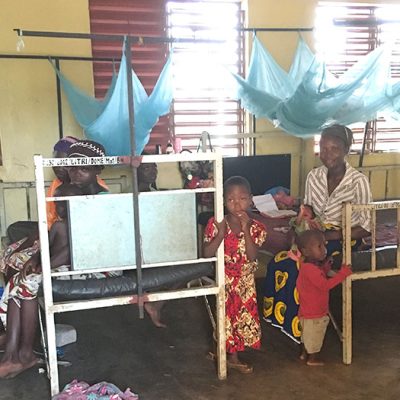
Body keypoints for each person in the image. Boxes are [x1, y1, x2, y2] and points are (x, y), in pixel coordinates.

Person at [263, 124, 373, 343]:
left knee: (301, 269)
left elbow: (366, 227)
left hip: (342, 238)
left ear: (346, 149)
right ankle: (281, 320)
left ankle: (304, 330)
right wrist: (302, 223)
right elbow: (308, 211)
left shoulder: (358, 181)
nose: (327, 154)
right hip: (314, 236)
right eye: (323, 148)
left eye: (334, 148)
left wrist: (328, 236)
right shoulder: (314, 176)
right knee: (279, 261)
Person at [203, 176, 266, 374]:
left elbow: (252, 255)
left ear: (251, 200)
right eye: (231, 199)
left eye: (242, 199)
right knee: (226, 317)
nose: (237, 204)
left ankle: (223, 350)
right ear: (223, 201)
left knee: (241, 318)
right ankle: (231, 357)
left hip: (246, 283)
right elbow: (206, 253)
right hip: (226, 280)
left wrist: (246, 230)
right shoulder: (215, 223)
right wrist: (221, 234)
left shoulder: (257, 228)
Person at [296, 230, 352, 366]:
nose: (324, 250)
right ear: (306, 251)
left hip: (307, 310)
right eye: (319, 246)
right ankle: (312, 358)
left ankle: (304, 354)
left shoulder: (308, 266)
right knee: (315, 336)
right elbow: (325, 285)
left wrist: (326, 268)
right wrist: (343, 274)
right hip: (315, 312)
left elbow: (319, 275)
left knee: (306, 335)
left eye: (324, 245)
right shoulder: (312, 270)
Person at [47, 137, 108, 228]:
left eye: (84, 169)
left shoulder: (104, 200)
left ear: (98, 170)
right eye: (72, 167)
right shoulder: (68, 190)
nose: (77, 174)